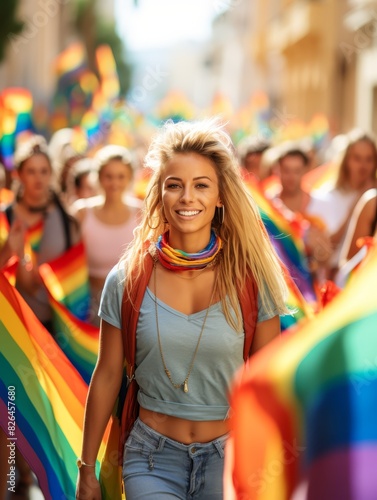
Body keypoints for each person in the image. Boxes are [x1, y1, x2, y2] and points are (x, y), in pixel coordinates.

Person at [76, 119, 289, 499]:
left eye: (201, 185)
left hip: (230, 458)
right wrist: (87, 467)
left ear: (220, 196)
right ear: (159, 195)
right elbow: (107, 374)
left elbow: (268, 381)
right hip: (151, 458)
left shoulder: (254, 280)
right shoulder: (127, 279)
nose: (187, 197)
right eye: (174, 185)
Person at [0, 135, 80, 497]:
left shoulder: (66, 219)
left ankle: (38, 479)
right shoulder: (4, 218)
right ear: (18, 174)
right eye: (30, 171)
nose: (36, 178)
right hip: (10, 334)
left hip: (52, 335)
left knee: (47, 417)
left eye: (43, 171)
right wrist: (7, 251)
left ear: (51, 174)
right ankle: (16, 483)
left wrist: (40, 277)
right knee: (12, 415)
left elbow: (75, 282)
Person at [72, 145, 140, 326]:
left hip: (132, 305)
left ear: (130, 178)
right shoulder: (82, 212)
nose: (114, 183)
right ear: (99, 177)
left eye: (121, 176)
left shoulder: (142, 212)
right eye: (108, 176)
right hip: (90, 307)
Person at [306, 129, 377, 278]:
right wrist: (359, 203)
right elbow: (327, 247)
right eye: (357, 158)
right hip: (335, 280)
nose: (363, 165)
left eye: (369, 159)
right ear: (346, 160)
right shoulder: (326, 196)